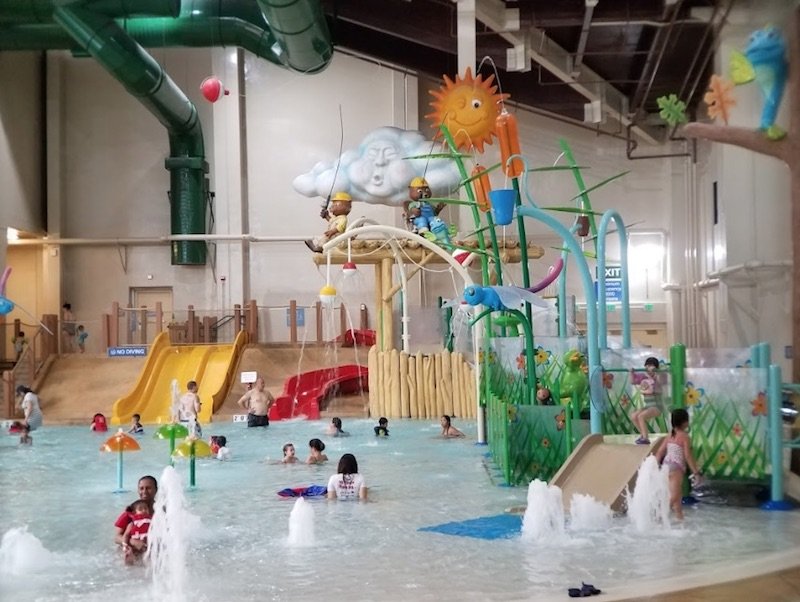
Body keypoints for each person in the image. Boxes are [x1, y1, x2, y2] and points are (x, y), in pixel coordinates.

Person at [655, 408, 702, 520]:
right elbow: (688, 456)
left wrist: (656, 466)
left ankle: (680, 520)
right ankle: (659, 517)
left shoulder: (670, 435)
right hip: (676, 468)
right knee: (674, 495)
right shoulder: (684, 437)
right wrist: (696, 472)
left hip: (666, 466)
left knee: (678, 495)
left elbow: (660, 452)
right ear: (685, 422)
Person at [114, 475, 157, 561]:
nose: (144, 491)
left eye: (148, 488)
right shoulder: (131, 511)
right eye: (141, 488)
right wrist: (133, 542)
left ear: (156, 490)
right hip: (134, 552)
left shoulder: (162, 511)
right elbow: (116, 537)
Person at [630, 357, 665, 444]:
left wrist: (656, 372)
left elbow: (661, 381)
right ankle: (643, 435)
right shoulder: (644, 377)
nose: (648, 368)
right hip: (648, 406)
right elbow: (632, 382)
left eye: (650, 366)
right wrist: (631, 373)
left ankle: (645, 438)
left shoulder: (658, 377)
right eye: (647, 366)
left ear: (655, 368)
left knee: (641, 416)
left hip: (657, 406)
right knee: (634, 416)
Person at [121, 498, 152, 565]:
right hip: (135, 547)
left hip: (148, 545)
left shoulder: (152, 521)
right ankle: (129, 559)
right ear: (134, 513)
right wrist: (125, 545)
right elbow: (126, 535)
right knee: (132, 554)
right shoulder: (132, 524)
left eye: (146, 508)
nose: (144, 510)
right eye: (140, 509)